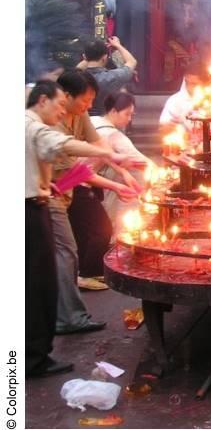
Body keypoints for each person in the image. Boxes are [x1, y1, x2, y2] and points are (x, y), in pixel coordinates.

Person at [26, 81, 126, 377]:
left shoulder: (34, 123)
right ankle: (34, 357)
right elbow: (61, 145)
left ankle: (39, 350)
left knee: (41, 278)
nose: (61, 113)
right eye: (58, 105)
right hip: (30, 208)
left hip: (41, 199)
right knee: (38, 282)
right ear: (42, 100)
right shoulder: (32, 126)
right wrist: (110, 156)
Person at [51, 69, 139, 332]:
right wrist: (116, 182)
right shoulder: (49, 124)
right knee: (65, 252)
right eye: (86, 100)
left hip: (65, 191)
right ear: (65, 96)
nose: (90, 106)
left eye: (92, 100)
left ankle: (65, 313)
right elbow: (75, 171)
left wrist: (123, 171)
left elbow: (102, 148)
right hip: (49, 194)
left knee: (68, 250)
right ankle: (66, 318)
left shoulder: (81, 117)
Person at [91, 92, 151, 235]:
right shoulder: (113, 134)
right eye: (127, 114)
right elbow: (139, 159)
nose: (129, 119)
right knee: (101, 231)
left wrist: (122, 171)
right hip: (84, 183)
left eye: (132, 115)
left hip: (86, 181)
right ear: (113, 111)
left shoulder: (92, 120)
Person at [78, 36, 138, 116]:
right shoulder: (113, 76)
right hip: (104, 122)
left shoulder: (76, 78)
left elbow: (78, 68)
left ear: (84, 57)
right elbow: (132, 62)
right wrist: (117, 45)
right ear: (105, 57)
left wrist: (89, 56)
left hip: (81, 122)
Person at [159, 60, 208, 137]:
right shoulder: (174, 101)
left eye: (194, 84)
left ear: (205, 84)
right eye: (187, 82)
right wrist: (174, 128)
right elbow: (164, 127)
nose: (189, 87)